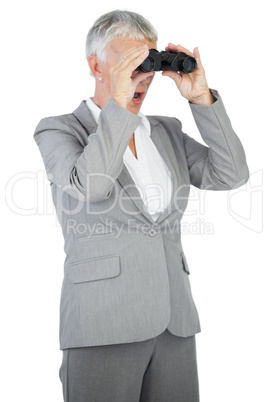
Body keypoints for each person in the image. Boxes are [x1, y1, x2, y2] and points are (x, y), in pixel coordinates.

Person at [34, 10, 249, 402]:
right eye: (130, 63)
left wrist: (201, 98)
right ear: (96, 66)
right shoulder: (59, 129)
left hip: (174, 322)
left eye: (148, 61)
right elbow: (94, 185)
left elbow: (231, 174)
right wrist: (118, 103)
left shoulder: (166, 130)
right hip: (102, 324)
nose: (143, 75)